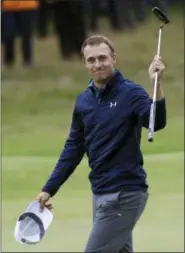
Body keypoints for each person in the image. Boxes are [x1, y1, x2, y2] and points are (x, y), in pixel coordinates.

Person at [36, 35, 167, 252]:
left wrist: (157, 85)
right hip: (100, 193)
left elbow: (156, 122)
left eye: (103, 58)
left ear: (114, 58)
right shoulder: (83, 101)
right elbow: (73, 149)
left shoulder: (130, 92)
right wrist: (49, 188)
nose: (98, 64)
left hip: (125, 193)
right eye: (91, 60)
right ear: (85, 64)